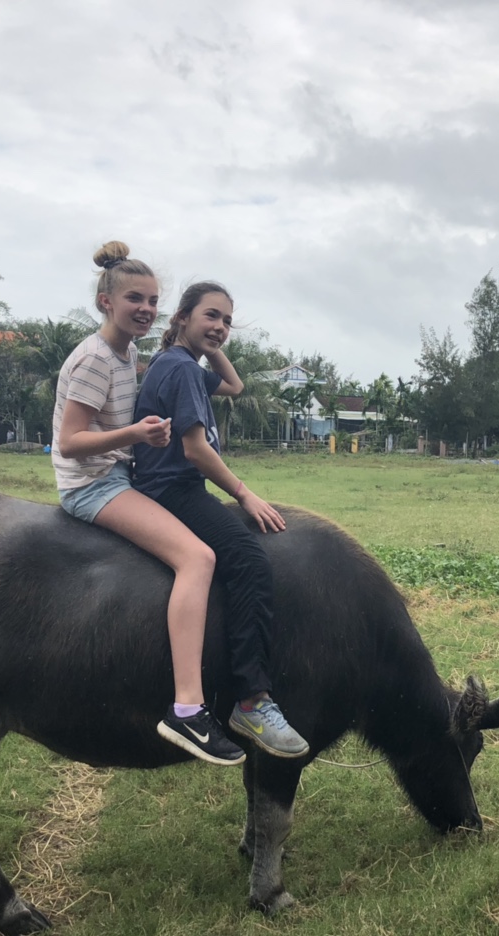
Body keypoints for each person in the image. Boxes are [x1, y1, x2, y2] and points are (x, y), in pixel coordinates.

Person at [52, 241, 243, 766]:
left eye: (154, 300)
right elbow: (69, 442)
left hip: (118, 475)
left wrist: (207, 335)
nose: (146, 309)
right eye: (135, 298)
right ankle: (187, 708)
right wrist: (136, 434)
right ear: (104, 303)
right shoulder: (94, 357)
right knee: (198, 558)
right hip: (93, 485)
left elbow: (233, 385)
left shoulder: (129, 352)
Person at [132, 281, 309, 759]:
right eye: (211, 316)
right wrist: (244, 493)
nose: (221, 327)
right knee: (248, 560)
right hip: (173, 490)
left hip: (172, 484)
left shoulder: (181, 366)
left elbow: (234, 386)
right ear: (182, 316)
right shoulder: (179, 369)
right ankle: (251, 700)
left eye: (228, 321)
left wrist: (208, 345)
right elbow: (194, 449)